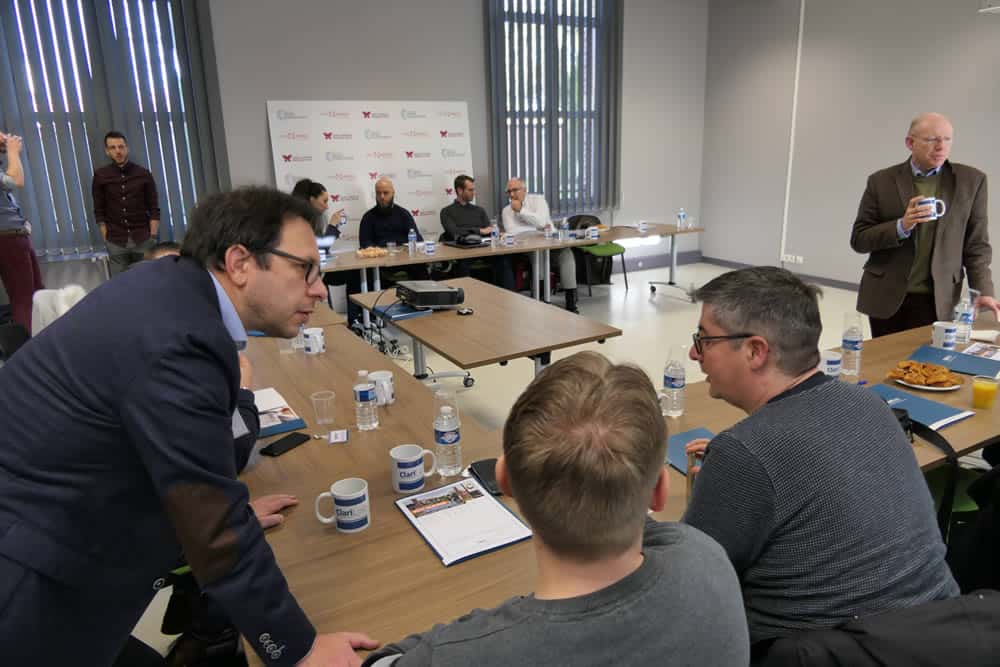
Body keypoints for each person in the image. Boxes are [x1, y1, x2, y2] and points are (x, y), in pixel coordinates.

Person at [0, 186, 378, 666]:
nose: (320, 289)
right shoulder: (174, 339)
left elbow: (190, 478)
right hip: (32, 575)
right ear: (240, 263)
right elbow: (213, 525)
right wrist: (301, 651)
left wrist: (223, 507)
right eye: (305, 269)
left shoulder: (172, 291)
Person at [362, 351, 749, 667]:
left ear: (505, 480)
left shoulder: (462, 655)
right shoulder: (707, 557)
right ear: (659, 491)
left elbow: (383, 661)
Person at [680, 266, 958, 657]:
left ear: (755, 351)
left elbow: (690, 585)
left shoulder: (745, 453)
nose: (694, 352)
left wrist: (729, 477)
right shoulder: (870, 404)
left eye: (704, 339)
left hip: (825, 654)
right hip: (941, 636)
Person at [851, 112, 1000, 337]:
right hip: (887, 296)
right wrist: (901, 226)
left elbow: (976, 245)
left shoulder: (972, 181)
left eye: (947, 139)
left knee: (930, 367)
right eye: (932, 140)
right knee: (884, 364)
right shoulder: (881, 181)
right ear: (910, 143)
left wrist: (984, 291)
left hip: (938, 299)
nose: (941, 146)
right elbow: (859, 239)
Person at [501, 178, 579, 312]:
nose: (511, 194)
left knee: (567, 254)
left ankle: (570, 301)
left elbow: (542, 221)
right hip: (529, 246)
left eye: (515, 190)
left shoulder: (538, 201)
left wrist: (522, 211)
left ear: (525, 190)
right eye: (509, 191)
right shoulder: (507, 210)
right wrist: (536, 228)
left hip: (551, 241)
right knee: (539, 255)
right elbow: (512, 232)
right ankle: (542, 299)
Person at [92, 131, 162, 275]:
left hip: (143, 239)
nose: (118, 151)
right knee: (121, 286)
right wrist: (107, 239)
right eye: (113, 148)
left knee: (147, 281)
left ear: (127, 148)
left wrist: (153, 237)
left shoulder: (143, 174)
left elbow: (154, 208)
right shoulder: (100, 176)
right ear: (107, 151)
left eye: (121, 146)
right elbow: (99, 211)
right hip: (116, 241)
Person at [0, 131, 44, 332]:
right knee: (24, 300)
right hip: (8, 239)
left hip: (15, 235)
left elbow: (6, 200)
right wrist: (12, 152)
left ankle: (39, 344)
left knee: (37, 293)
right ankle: (28, 352)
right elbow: (16, 180)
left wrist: (22, 221)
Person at [439, 175, 514, 290]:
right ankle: (466, 299)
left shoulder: (479, 210)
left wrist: (497, 233)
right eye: (470, 190)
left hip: (483, 248)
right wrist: (479, 230)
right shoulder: (447, 212)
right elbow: (454, 232)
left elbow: (489, 231)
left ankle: (508, 296)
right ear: (459, 191)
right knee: (462, 266)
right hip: (461, 250)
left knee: (503, 261)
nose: (474, 192)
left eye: (474, 189)